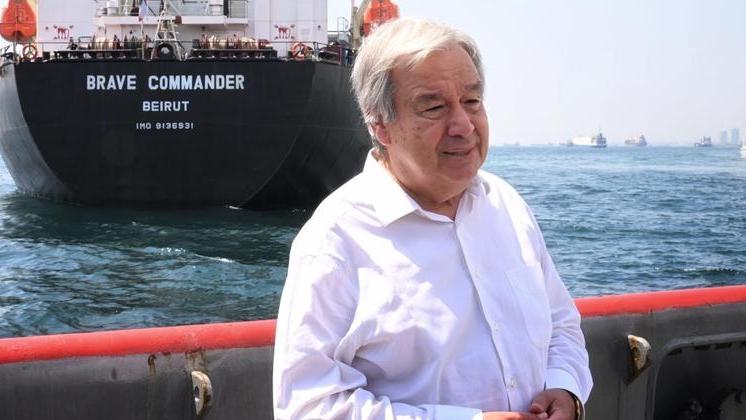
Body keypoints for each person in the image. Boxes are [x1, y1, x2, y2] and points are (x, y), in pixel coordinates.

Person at [273, 18, 593, 420]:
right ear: (380, 126)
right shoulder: (336, 241)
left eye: (472, 101)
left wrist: (565, 388)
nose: (463, 125)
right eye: (434, 107)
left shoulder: (507, 205)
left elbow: (561, 323)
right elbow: (309, 406)